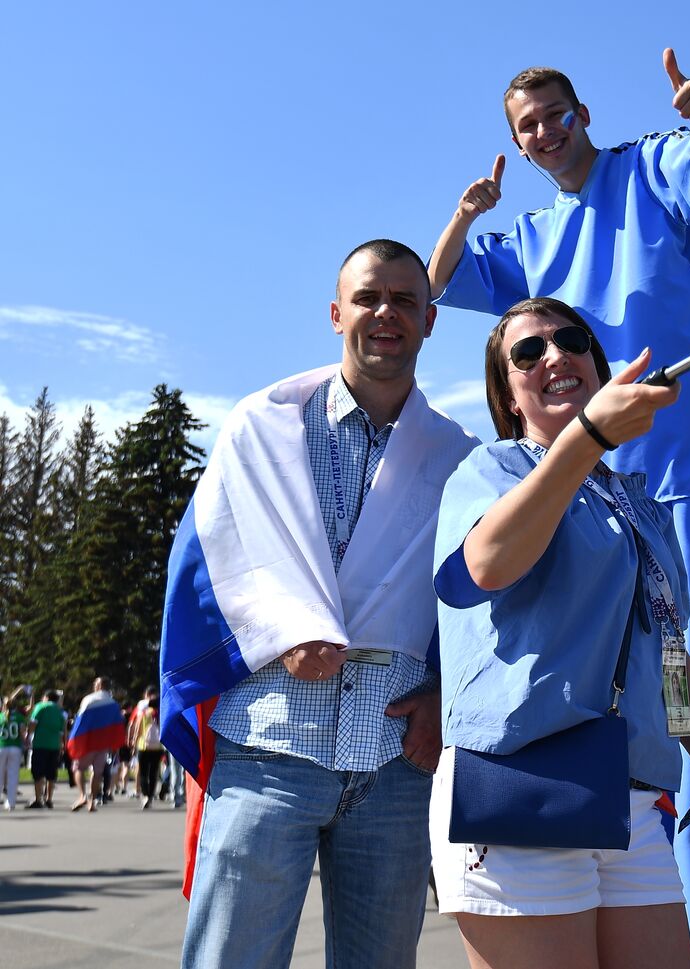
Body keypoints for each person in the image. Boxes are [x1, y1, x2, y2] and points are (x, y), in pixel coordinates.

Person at [426, 57, 690, 966]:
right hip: (586, 499)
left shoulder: (648, 166)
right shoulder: (498, 455)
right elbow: (439, 284)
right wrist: (464, 215)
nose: (561, 354)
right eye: (526, 124)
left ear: (581, 114)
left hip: (681, 471)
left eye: (555, 114)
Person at [430, 297, 690, 969]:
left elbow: (671, 663)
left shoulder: (641, 503)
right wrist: (585, 441)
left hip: (627, 801)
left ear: (599, 369)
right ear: (509, 396)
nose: (555, 355)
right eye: (527, 352)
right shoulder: (492, 469)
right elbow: (485, 564)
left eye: (571, 341)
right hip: (519, 788)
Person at [160, 239, 477, 969]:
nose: (386, 312)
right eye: (369, 297)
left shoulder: (459, 457)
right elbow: (213, 561)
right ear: (338, 313)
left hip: (395, 759)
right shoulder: (261, 425)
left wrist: (444, 695)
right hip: (270, 741)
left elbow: (480, 602)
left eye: (405, 299)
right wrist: (282, 628)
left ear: (430, 320)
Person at [67, 677, 124, 813]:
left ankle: (82, 796)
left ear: (98, 686)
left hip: (88, 741)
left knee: (79, 768)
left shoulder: (89, 700)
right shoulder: (113, 703)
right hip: (103, 743)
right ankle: (92, 801)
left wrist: (73, 739)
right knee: (97, 773)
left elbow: (80, 721)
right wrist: (114, 744)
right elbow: (118, 725)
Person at [26, 689, 65, 809]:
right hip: (54, 746)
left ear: (46, 697)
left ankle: (38, 799)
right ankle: (49, 799)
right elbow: (62, 731)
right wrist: (62, 745)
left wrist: (28, 736)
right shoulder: (60, 712)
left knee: (38, 773)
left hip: (40, 744)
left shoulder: (40, 707)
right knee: (51, 773)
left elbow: (33, 723)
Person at [128, 686, 164, 810]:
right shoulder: (161, 712)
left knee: (143, 772)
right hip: (158, 746)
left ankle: (145, 795)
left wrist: (134, 741)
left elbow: (138, 728)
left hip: (144, 745)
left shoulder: (143, 712)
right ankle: (151, 795)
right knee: (153, 773)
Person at [1, 688, 29, 810]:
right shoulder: (19, 717)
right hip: (15, 748)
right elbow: (23, 734)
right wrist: (26, 742)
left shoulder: (1, 716)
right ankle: (10, 802)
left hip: (1, 747)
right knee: (13, 775)